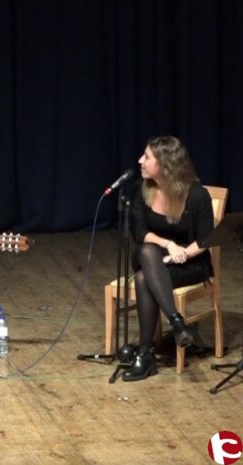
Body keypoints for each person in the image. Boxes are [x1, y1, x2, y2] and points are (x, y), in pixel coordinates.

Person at [122, 136, 213, 381]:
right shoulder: (142, 191)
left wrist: (182, 253)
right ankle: (176, 321)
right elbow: (140, 234)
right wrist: (170, 245)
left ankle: (146, 355)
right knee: (145, 251)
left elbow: (205, 240)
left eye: (147, 157)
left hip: (191, 263)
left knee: (143, 279)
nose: (140, 161)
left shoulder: (197, 195)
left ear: (165, 164)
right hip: (156, 259)